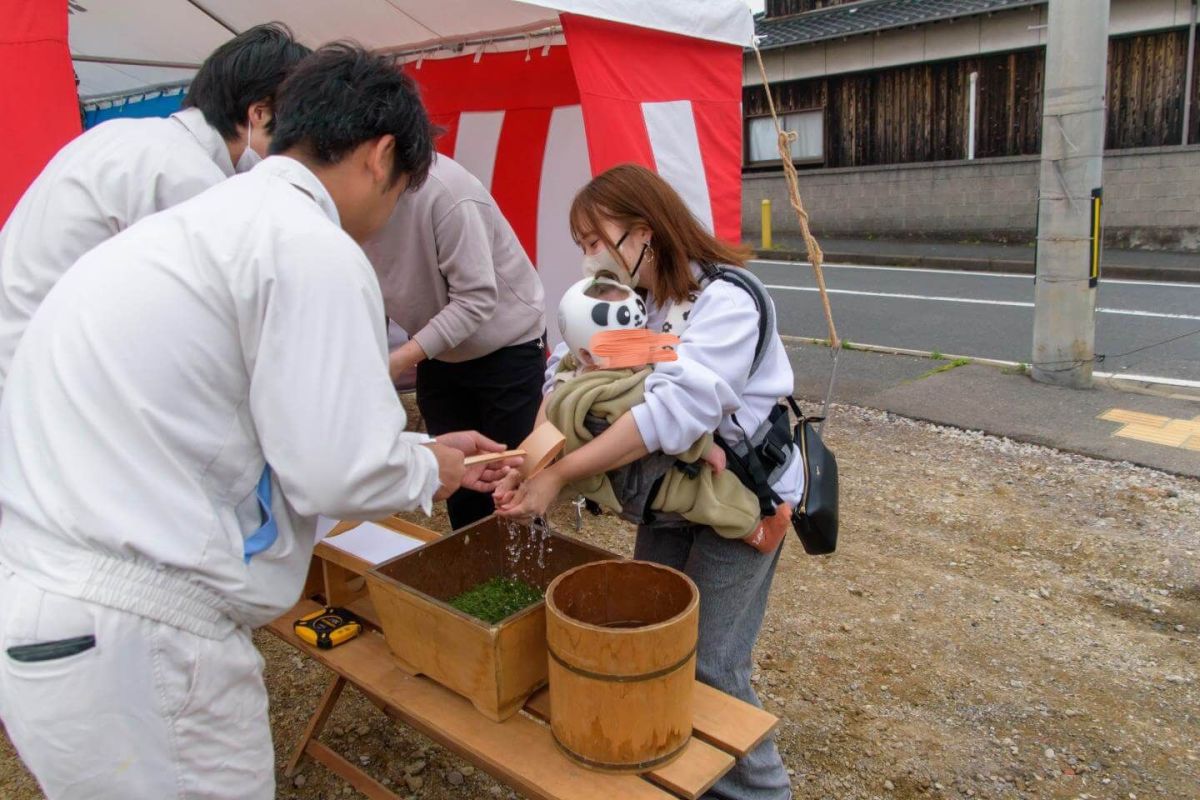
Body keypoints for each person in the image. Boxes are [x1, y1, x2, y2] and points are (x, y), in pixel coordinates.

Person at [0, 44, 513, 800]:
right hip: (143, 636)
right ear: (379, 158)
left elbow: (276, 422)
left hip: (54, 606)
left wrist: (414, 447)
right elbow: (337, 469)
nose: (390, 214)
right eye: (403, 189)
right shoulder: (310, 245)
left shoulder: (197, 222)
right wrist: (429, 468)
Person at [497, 163, 799, 800]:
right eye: (580, 246)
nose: (586, 261)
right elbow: (566, 379)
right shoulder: (642, 309)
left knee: (712, 667)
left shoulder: (727, 301)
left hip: (741, 503)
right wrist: (530, 460)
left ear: (643, 233)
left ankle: (762, 792)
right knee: (654, 638)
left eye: (592, 241)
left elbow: (669, 411)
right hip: (671, 498)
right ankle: (688, 779)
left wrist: (562, 474)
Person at [0, 22, 310, 398]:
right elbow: (209, 335)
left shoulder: (124, 136)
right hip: (40, 384)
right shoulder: (187, 177)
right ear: (260, 114)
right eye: (294, 133)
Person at [363, 154, 546, 530]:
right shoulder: (355, 197)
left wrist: (399, 360)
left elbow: (476, 299)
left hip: (507, 349)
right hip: (438, 353)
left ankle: (532, 583)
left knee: (511, 486)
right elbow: (371, 287)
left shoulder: (448, 193)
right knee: (459, 487)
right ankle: (472, 572)